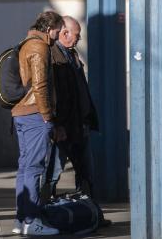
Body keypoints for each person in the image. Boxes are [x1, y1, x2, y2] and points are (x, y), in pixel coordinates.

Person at [44, 16, 110, 226]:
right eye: (77, 35)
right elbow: (55, 96)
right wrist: (57, 124)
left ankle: (92, 215)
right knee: (52, 173)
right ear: (64, 33)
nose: (78, 40)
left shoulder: (71, 55)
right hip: (64, 127)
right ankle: (44, 215)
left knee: (86, 173)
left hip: (79, 125)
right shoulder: (53, 56)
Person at [12, 11, 64, 236]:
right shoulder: (39, 47)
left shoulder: (25, 43)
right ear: (50, 28)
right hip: (34, 113)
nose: (58, 36)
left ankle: (22, 219)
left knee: (25, 166)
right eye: (58, 31)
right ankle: (31, 220)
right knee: (34, 168)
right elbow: (40, 84)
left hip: (22, 113)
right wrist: (47, 115)